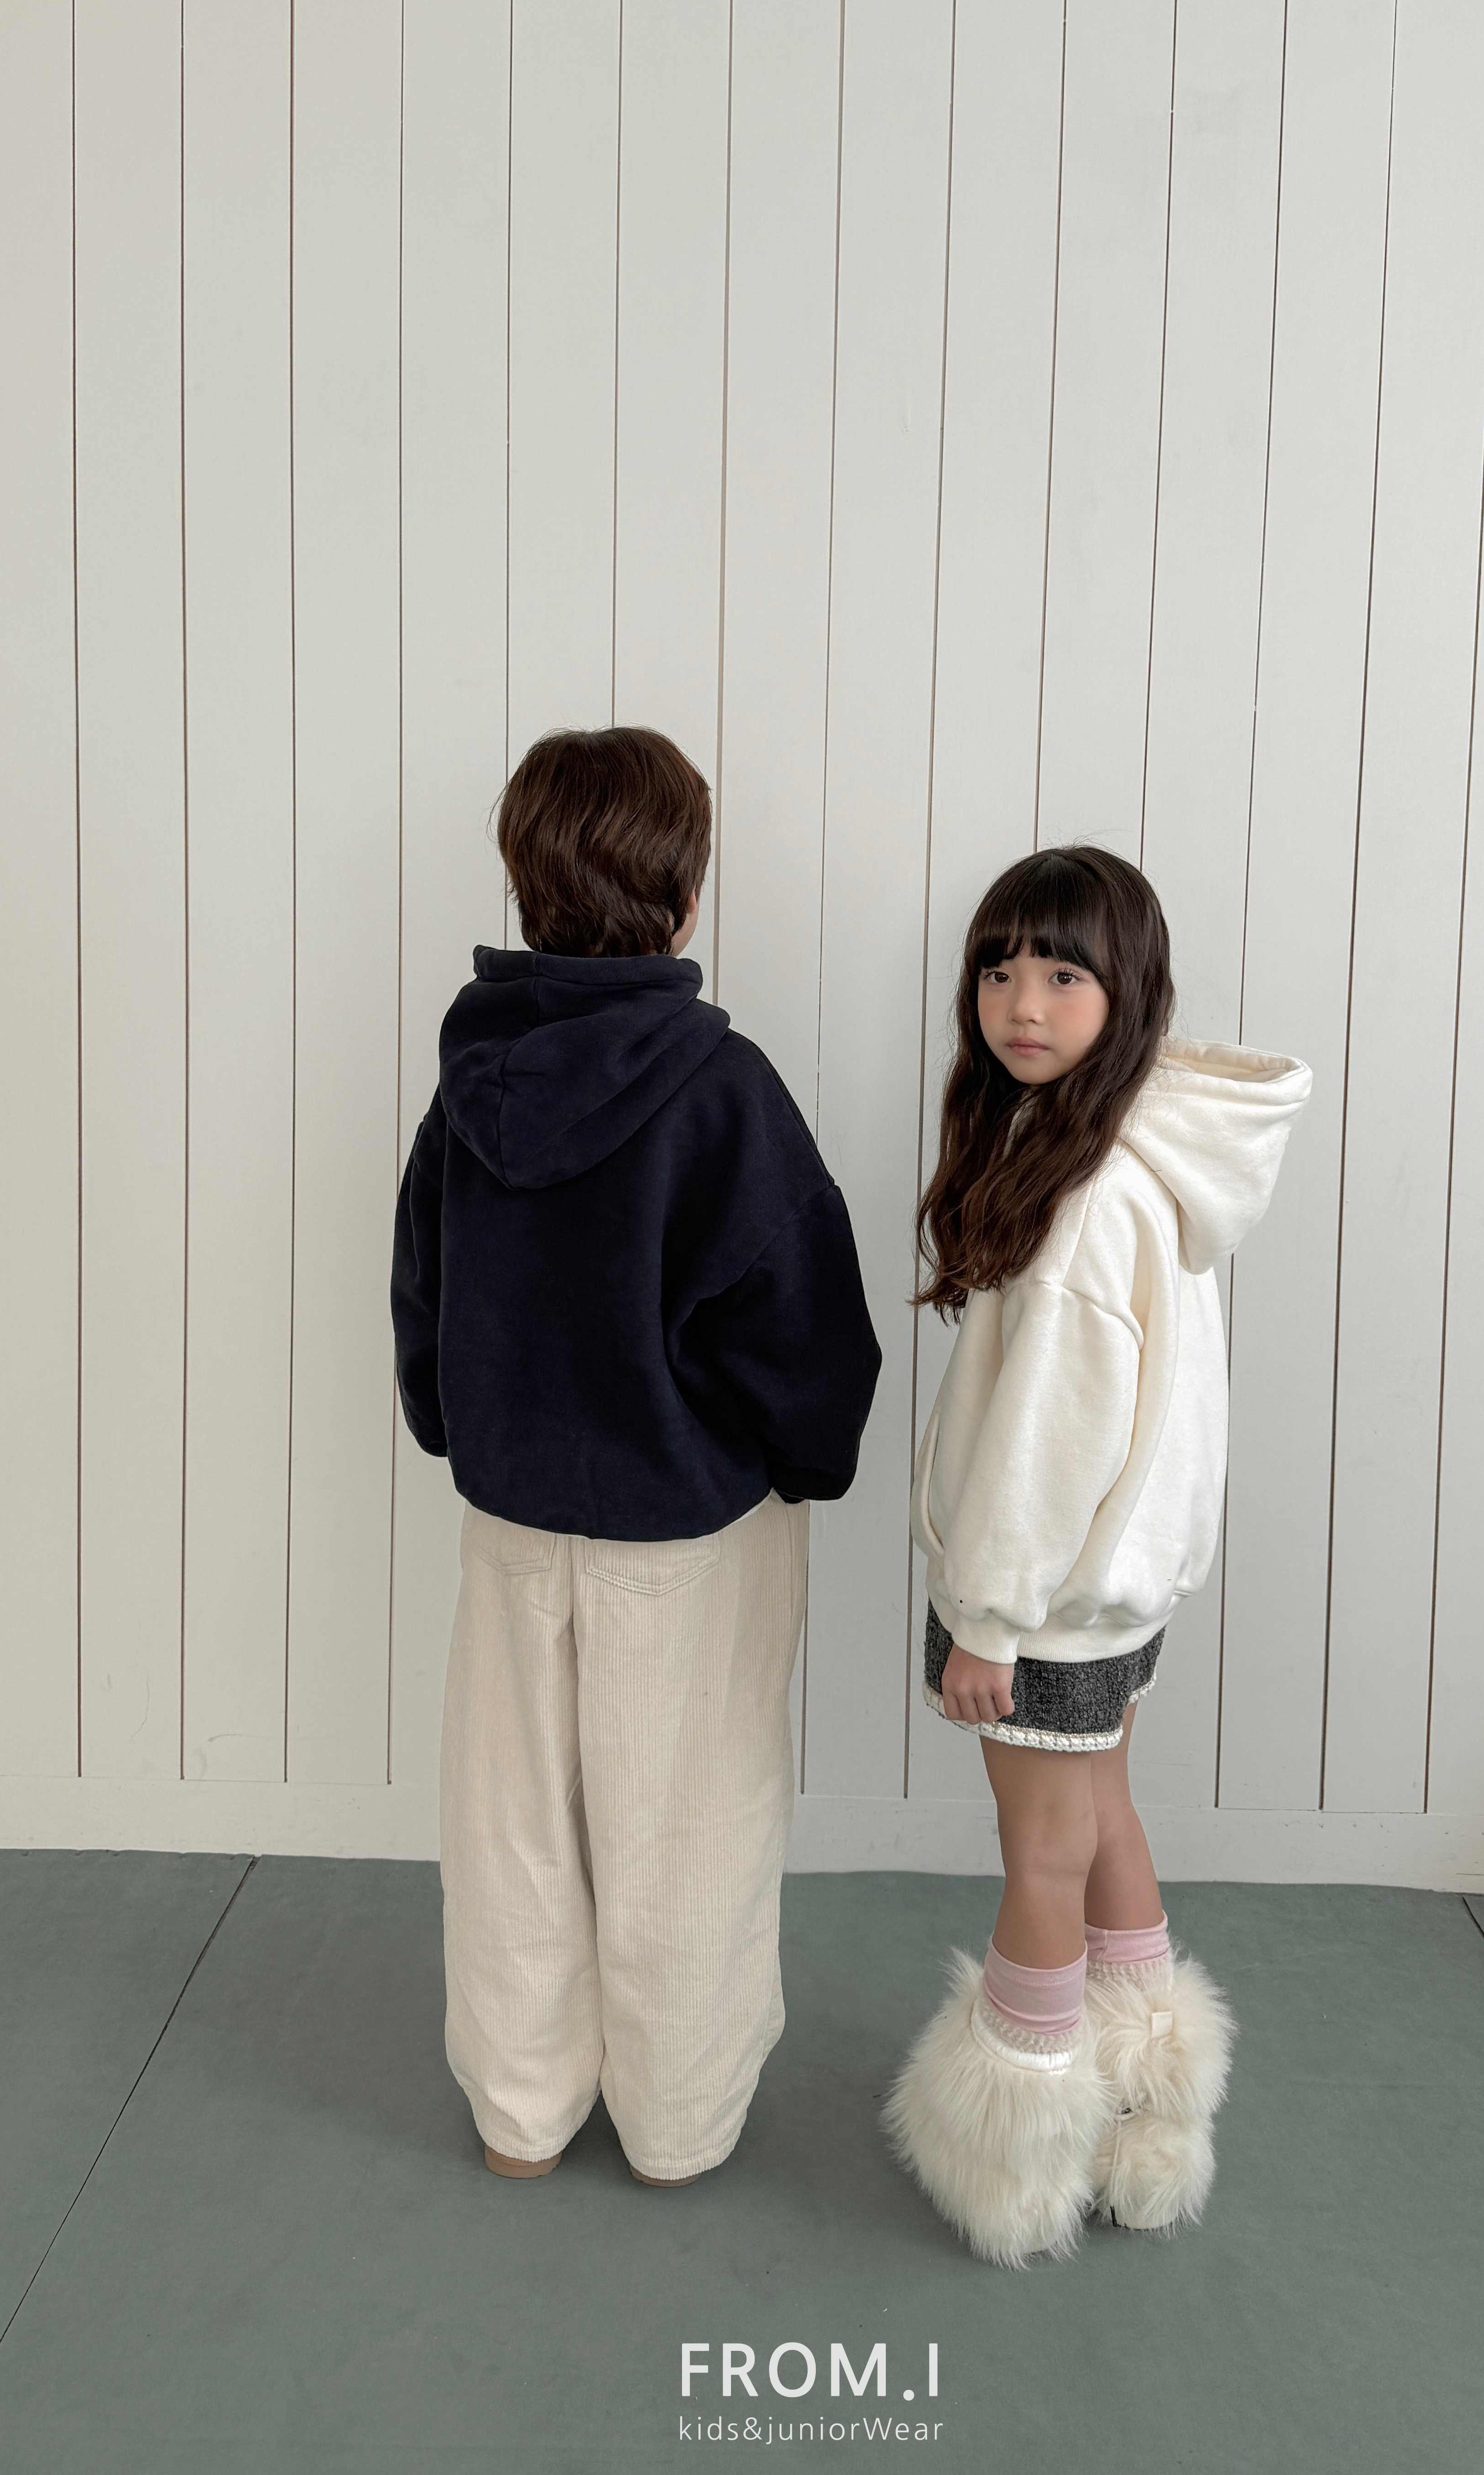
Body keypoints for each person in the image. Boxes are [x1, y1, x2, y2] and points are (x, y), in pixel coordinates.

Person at [392, 726, 881, 2189]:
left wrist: (460, 1424)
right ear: (683, 891)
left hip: (512, 1521)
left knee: (513, 1823)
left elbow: (423, 1292)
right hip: (686, 1530)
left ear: (524, 877)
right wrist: (808, 1459)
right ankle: (675, 2127)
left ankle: (519, 2118)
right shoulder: (721, 1087)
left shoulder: (471, 1081)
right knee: (689, 1827)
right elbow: (797, 1319)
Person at [882, 845, 1309, 2267]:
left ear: (1128, 990)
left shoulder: (1086, 1196)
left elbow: (1046, 1444)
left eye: (1062, 973)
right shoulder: (1133, 1152)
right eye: (999, 969)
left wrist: (986, 1617)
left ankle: (1018, 2153)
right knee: (1104, 1819)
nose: (1021, 1002)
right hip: (1114, 1590)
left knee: (1043, 1853)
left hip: (1047, 1599)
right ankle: (1148, 2123)